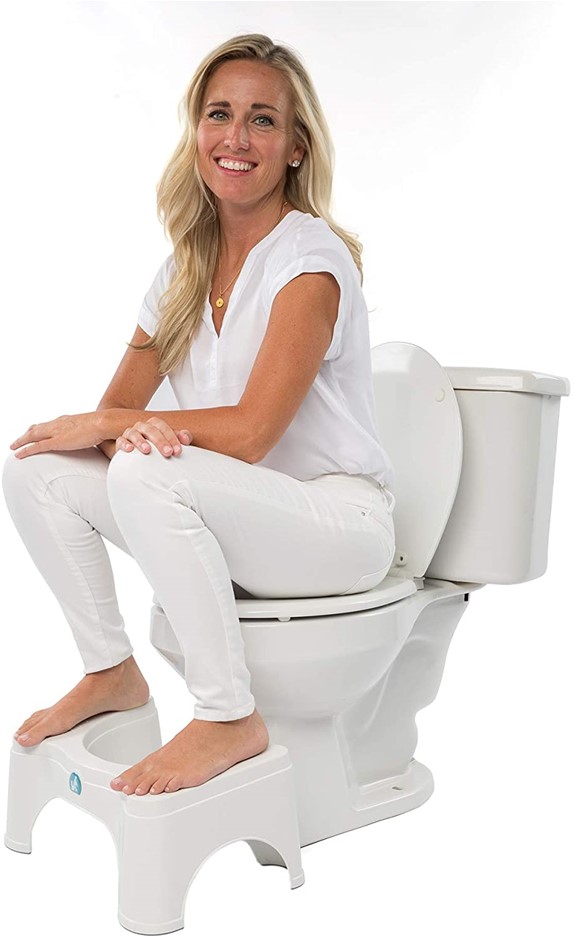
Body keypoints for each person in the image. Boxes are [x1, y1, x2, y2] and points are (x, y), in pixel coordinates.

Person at [2, 33, 396, 797]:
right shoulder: (184, 269)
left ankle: (227, 716)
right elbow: (117, 412)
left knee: (144, 467)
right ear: (196, 132)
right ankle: (111, 672)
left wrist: (124, 432)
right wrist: (122, 427)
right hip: (241, 515)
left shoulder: (309, 262)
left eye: (262, 120)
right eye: (219, 114)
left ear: (296, 148)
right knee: (38, 468)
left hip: (338, 526)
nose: (236, 138)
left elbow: (251, 433)